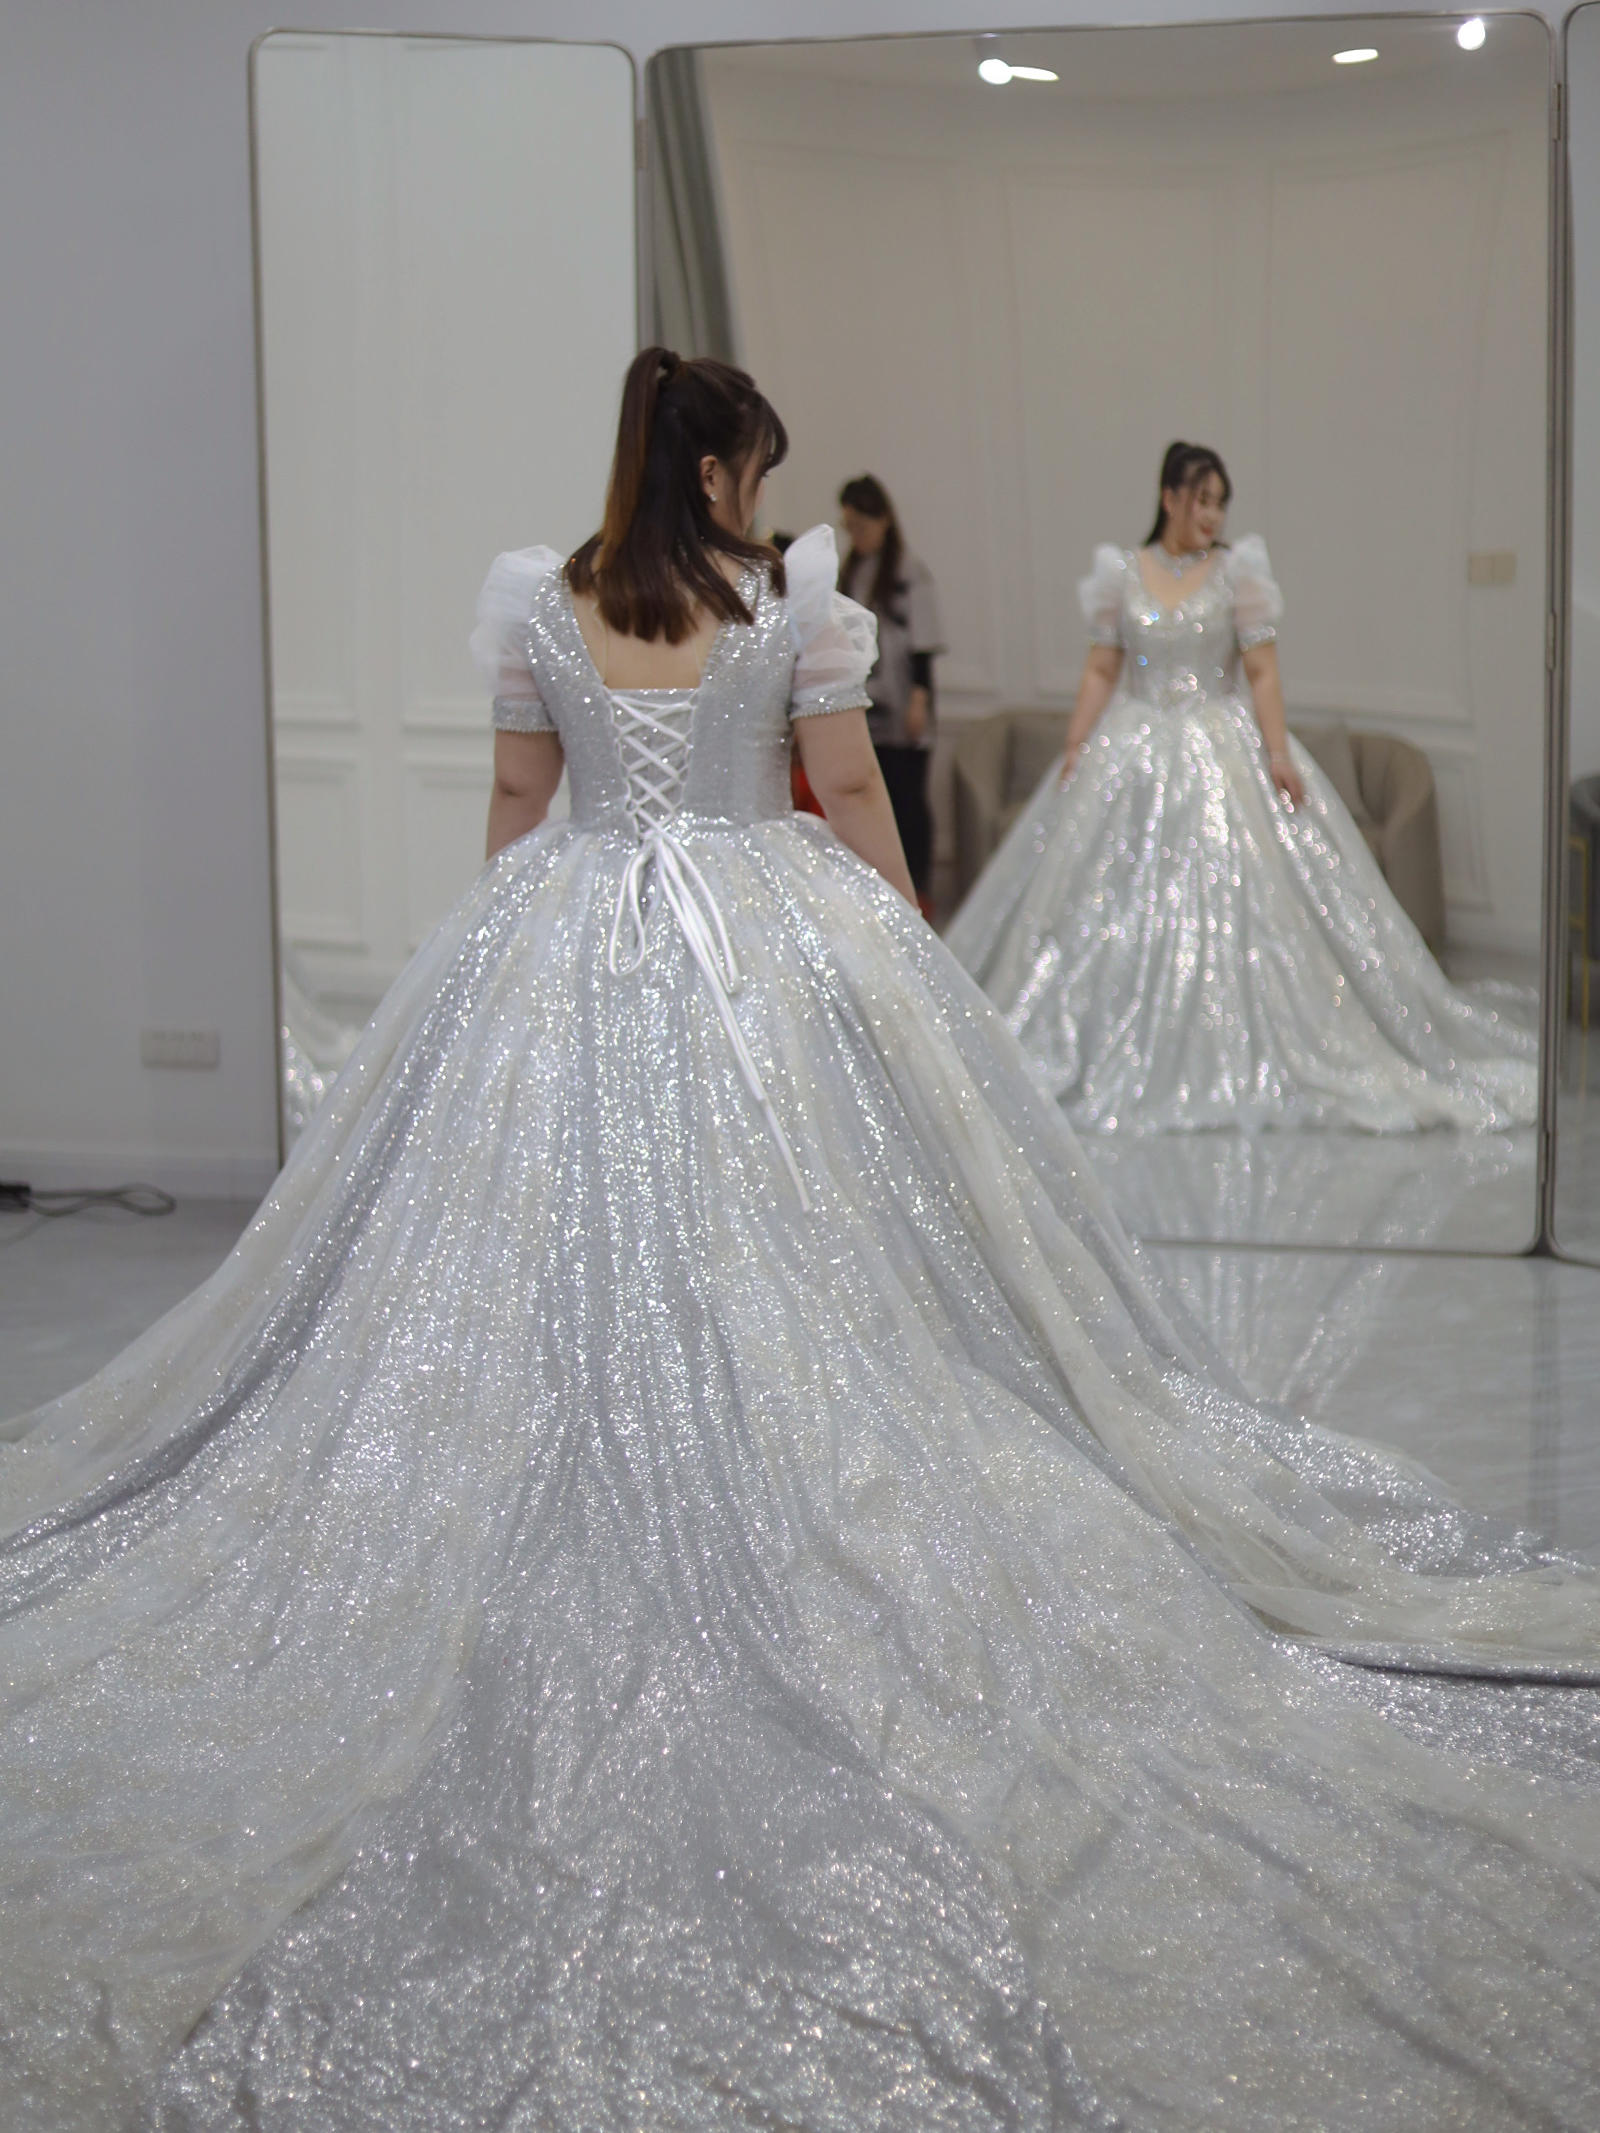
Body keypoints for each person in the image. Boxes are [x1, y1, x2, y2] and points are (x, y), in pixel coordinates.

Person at [1, 359, 1597, 2133]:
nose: (765, 488)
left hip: (562, 937)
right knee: (814, 1245)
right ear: (715, 464)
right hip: (755, 944)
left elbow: (520, 809)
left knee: (538, 1245)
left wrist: (496, 962)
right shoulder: (785, 600)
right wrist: (909, 959)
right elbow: (841, 793)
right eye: (752, 461)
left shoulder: (549, 598)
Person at [946, 441, 1538, 1134]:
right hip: (1132, 750)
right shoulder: (1122, 573)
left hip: (1220, 749)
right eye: (1202, 499)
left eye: (1220, 503)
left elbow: (1261, 672)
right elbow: (1103, 668)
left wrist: (1278, 753)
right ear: (1169, 496)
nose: (1212, 514)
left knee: (1246, 903)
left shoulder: (1237, 573)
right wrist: (1078, 742)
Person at [837, 474, 943, 907]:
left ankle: (918, 888)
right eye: (850, 528)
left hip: (902, 704)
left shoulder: (907, 571)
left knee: (908, 799)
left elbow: (923, 643)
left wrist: (919, 699)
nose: (857, 536)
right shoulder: (852, 572)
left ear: (882, 520)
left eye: (862, 526)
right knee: (875, 802)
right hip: (866, 706)